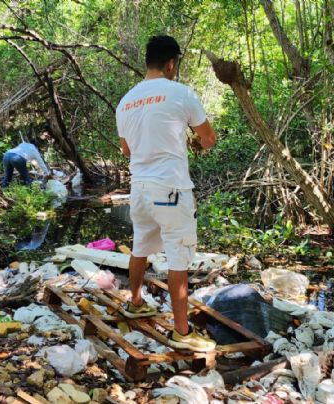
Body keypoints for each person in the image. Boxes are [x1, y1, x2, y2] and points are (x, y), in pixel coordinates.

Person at [115, 35, 218, 352]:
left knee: (141, 245)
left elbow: (126, 149)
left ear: (148, 61)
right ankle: (183, 332)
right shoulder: (180, 93)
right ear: (172, 63)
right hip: (170, 190)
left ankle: (134, 303)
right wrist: (195, 143)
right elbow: (209, 139)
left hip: (140, 189)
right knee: (178, 254)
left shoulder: (126, 101)